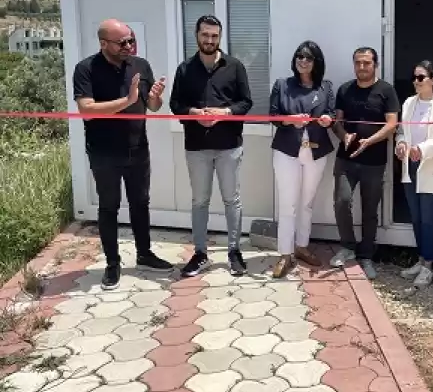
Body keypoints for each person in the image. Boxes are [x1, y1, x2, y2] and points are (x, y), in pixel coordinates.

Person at [73, 19, 173, 291]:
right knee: (109, 207)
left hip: (138, 148)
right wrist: (126, 102)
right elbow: (87, 110)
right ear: (104, 44)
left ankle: (144, 254)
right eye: (123, 42)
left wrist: (154, 97)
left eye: (132, 40)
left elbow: (152, 106)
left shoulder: (140, 65)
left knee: (141, 203)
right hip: (104, 152)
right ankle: (112, 264)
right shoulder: (86, 69)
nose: (129, 46)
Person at [169, 15, 253, 277]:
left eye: (214, 36)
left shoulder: (235, 66)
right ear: (197, 35)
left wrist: (225, 112)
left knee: (232, 200)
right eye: (205, 35)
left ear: (220, 37)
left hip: (229, 145)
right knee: (200, 201)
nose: (209, 40)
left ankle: (234, 251)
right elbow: (175, 105)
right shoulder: (184, 69)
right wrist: (194, 112)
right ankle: (200, 253)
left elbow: (246, 103)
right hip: (197, 146)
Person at [330, 47, 400, 279]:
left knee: (370, 210)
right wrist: (343, 135)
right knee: (342, 201)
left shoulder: (386, 91)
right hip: (346, 158)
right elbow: (337, 121)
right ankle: (348, 247)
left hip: (374, 161)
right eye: (358, 63)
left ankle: (366, 256)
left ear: (375, 65)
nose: (362, 67)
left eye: (367, 63)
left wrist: (370, 141)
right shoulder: (344, 90)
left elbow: (392, 124)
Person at [269, 41, 336, 278]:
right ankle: (284, 254)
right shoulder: (282, 85)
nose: (303, 61)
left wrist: (328, 119)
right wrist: (290, 120)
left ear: (316, 62)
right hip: (287, 150)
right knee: (288, 204)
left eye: (308, 58)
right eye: (299, 56)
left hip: (315, 152)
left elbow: (332, 113)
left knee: (307, 203)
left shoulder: (325, 87)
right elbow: (273, 116)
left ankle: (302, 246)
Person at [395, 60, 433, 290]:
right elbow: (402, 130)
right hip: (411, 166)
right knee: (416, 217)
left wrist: (424, 149)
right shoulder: (409, 103)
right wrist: (401, 144)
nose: (416, 82)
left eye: (421, 77)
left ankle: (429, 265)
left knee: (429, 219)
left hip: (431, 167)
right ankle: (421, 259)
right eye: (414, 77)